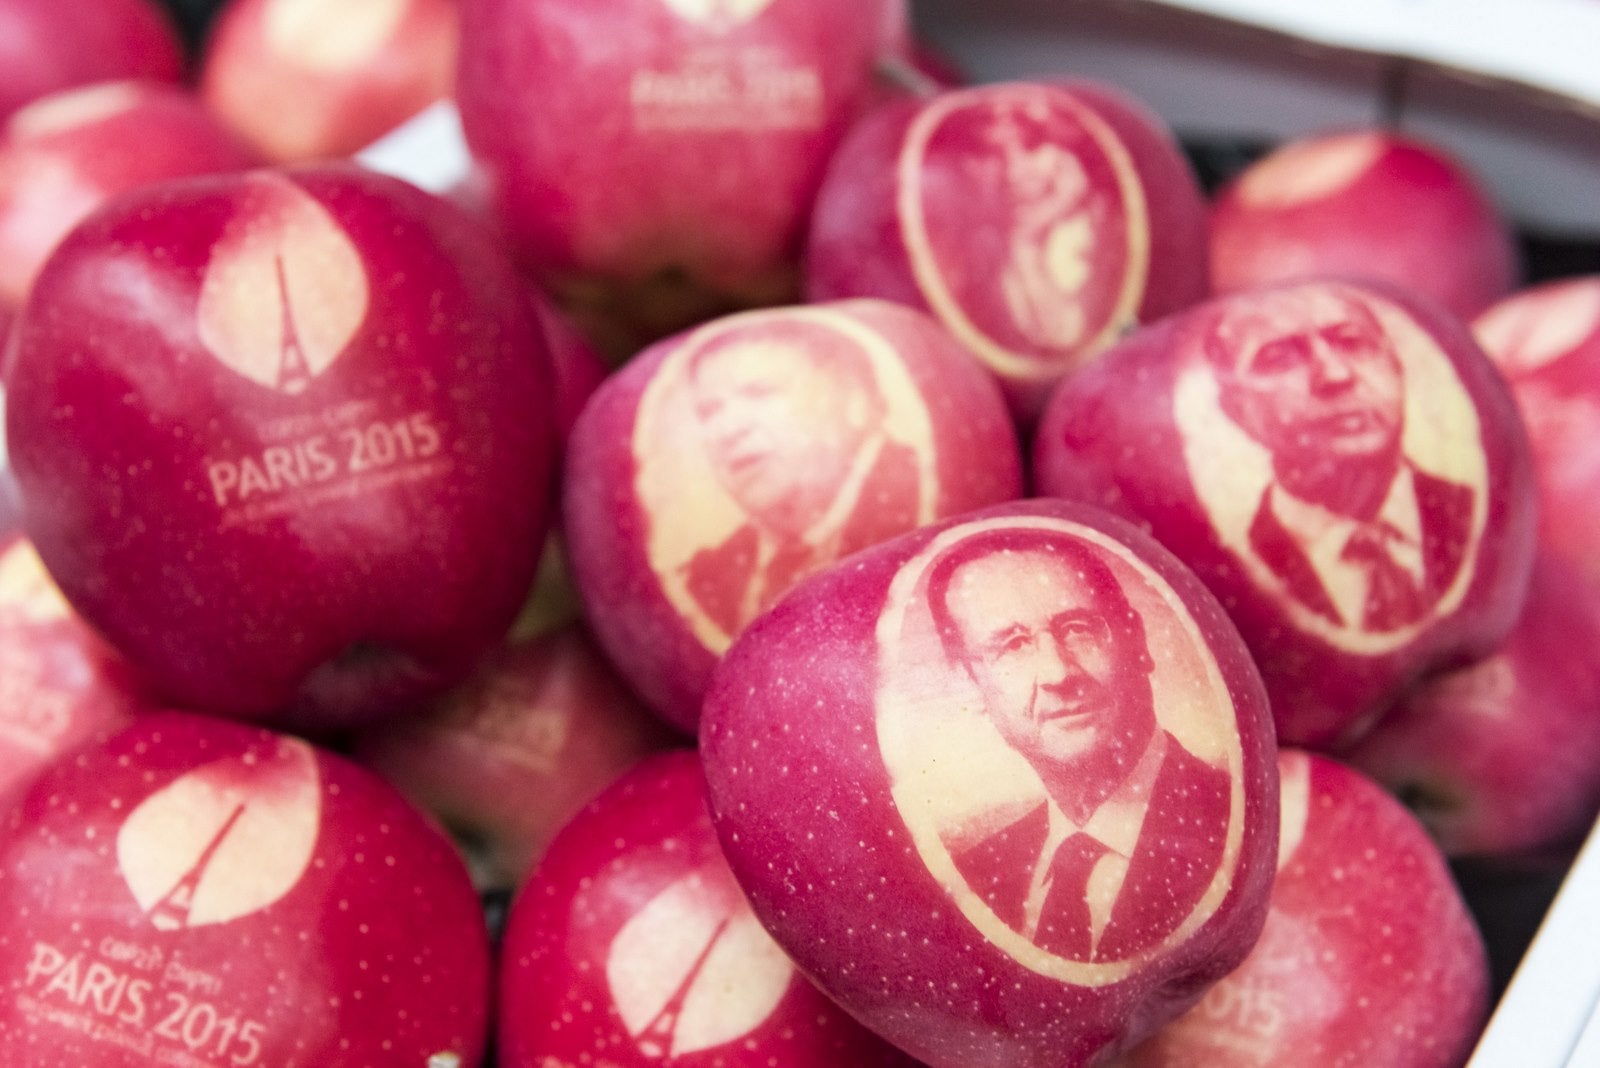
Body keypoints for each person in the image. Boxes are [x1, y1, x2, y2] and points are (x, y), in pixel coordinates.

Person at [925, 529, 1231, 963]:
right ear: (969, 686)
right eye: (1012, 646)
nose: (1057, 672)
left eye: (1078, 629)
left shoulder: (1226, 813)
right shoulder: (977, 875)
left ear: (1136, 639)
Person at [1203, 285, 1475, 633]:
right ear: (1236, 410)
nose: (1335, 375)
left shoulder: (1460, 510)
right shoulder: (1227, 574)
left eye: (1351, 342)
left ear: (1396, 366)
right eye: (1280, 357)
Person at [676, 320, 922, 640]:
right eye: (709, 411)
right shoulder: (705, 581)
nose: (729, 429)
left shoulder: (916, 496)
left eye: (759, 392)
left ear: (854, 400)